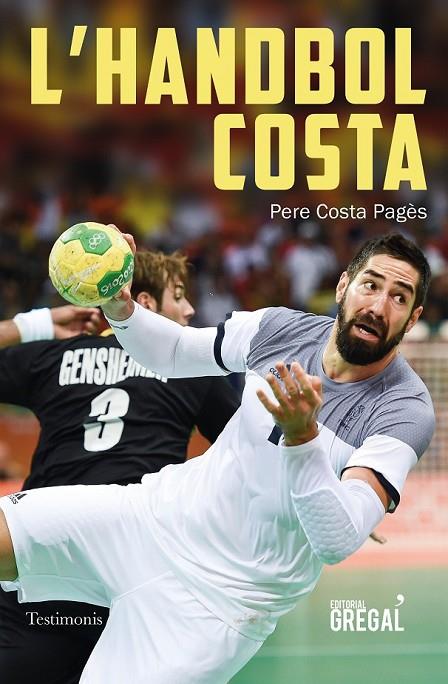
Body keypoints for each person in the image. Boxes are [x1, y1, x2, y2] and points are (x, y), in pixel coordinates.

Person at [0, 233, 435, 684]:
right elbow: (173, 352)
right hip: (152, 518)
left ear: (413, 317)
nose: (378, 306)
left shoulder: (404, 410)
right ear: (344, 286)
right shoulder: (280, 328)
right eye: (371, 285)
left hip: (220, 605)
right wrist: (120, 306)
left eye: (398, 298)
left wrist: (302, 438)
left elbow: (336, 540)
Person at [0, 249, 239, 684]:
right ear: (145, 303)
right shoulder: (194, 371)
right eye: (178, 295)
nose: (189, 310)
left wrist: (38, 324)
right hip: (135, 569)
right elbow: (254, 454)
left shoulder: (56, 354)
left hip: (45, 550)